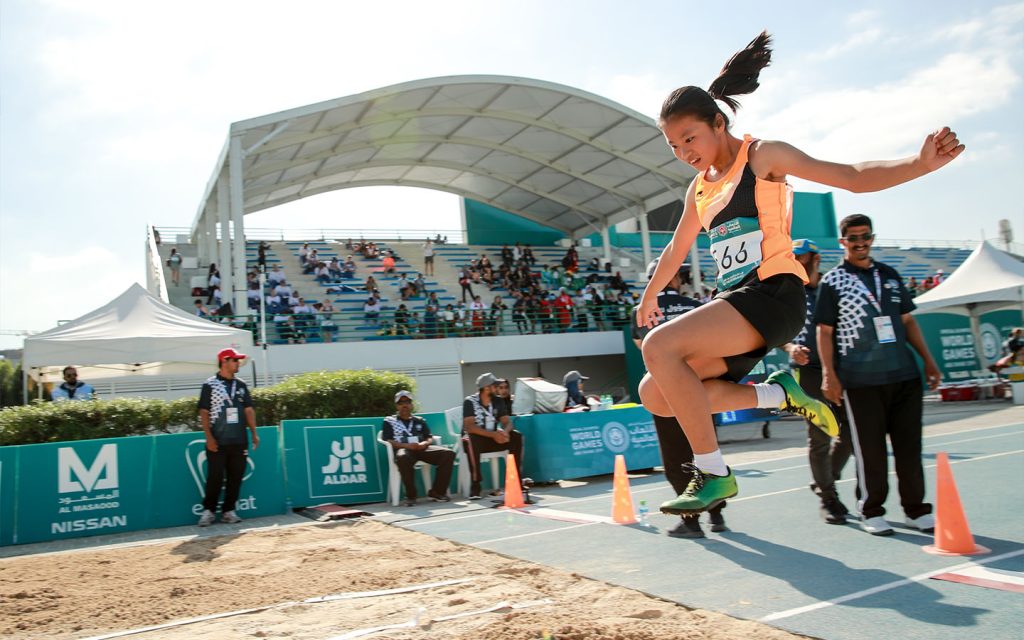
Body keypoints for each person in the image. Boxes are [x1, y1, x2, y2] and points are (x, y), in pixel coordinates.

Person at [635, 31, 963, 515]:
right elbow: (675, 248)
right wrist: (649, 295)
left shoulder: (763, 156)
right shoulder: (698, 191)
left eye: (690, 138)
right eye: (673, 145)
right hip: (738, 306)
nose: (684, 151)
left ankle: (714, 473)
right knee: (655, 395)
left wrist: (919, 164)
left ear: (718, 123)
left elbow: (850, 175)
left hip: (775, 295)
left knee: (659, 346)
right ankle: (777, 392)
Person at [816, 214, 941, 536]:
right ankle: (871, 509)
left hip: (904, 376)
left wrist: (928, 361)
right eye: (853, 238)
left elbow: (909, 322)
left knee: (909, 448)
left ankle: (916, 509)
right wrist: (829, 375)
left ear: (872, 238)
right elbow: (825, 331)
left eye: (865, 236)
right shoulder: (833, 282)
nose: (860, 243)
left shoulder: (890, 275)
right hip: (861, 381)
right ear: (843, 242)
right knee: (869, 451)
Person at [630, 259, 724, 538]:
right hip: (700, 390)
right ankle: (717, 514)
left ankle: (691, 520)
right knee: (706, 451)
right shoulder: (696, 307)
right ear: (675, 279)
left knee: (676, 459)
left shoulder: (640, 311)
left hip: (665, 394)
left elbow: (643, 348)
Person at [782, 239, 852, 525]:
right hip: (807, 372)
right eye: (793, 257)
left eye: (802, 257)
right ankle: (828, 498)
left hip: (840, 368)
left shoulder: (832, 287)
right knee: (820, 436)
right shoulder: (787, 293)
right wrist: (790, 348)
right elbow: (775, 333)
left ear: (815, 258)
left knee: (850, 435)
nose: (797, 261)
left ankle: (826, 479)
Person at [197, 348, 259, 526]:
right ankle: (208, 511)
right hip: (218, 441)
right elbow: (204, 412)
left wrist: (254, 433)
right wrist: (209, 437)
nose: (238, 363)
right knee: (215, 477)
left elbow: (248, 409)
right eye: (235, 360)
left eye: (238, 360)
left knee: (236, 478)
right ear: (224, 361)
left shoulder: (241, 384)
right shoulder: (209, 384)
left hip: (239, 440)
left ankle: (228, 511)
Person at [381, 390, 456, 506]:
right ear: (396, 406)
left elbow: (429, 437)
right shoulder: (389, 421)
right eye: (401, 403)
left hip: (422, 449)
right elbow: (388, 440)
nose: (404, 405)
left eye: (407, 402)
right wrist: (406, 445)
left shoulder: (419, 420)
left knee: (448, 454)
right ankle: (411, 496)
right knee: (402, 457)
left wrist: (424, 444)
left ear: (412, 404)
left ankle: (437, 492)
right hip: (405, 449)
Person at [462, 372, 524, 499]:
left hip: (494, 438)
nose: (498, 387)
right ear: (486, 388)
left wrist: (505, 433)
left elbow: (507, 422)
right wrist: (493, 435)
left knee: (516, 436)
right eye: (495, 385)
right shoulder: (470, 401)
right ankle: (476, 486)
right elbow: (469, 427)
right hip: (478, 438)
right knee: (470, 440)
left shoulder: (498, 401)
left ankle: (515, 481)